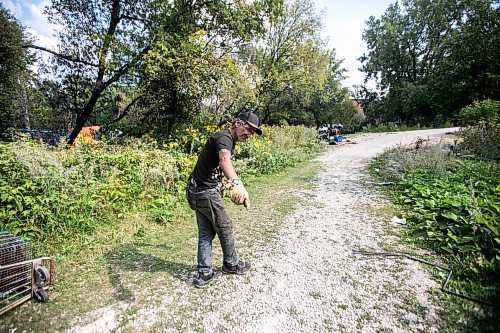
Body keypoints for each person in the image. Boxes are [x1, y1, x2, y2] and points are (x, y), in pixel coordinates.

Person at [186, 111, 262, 288]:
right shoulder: (224, 138)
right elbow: (223, 159)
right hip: (204, 192)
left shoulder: (225, 138)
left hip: (195, 189)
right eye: (247, 129)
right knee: (225, 227)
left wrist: (223, 185)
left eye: (252, 132)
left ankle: (204, 273)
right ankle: (231, 264)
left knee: (206, 232)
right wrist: (237, 183)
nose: (249, 134)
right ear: (237, 122)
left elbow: (212, 167)